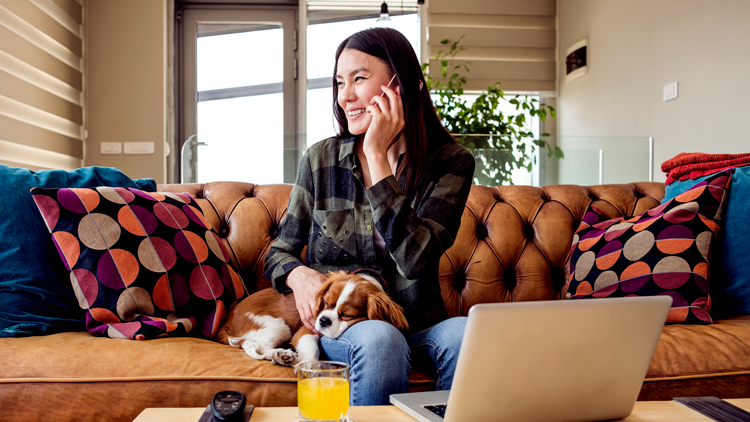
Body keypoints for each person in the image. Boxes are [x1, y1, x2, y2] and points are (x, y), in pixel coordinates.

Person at [263, 27, 475, 405]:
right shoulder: (320, 160)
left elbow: (415, 259)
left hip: (416, 323)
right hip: (344, 326)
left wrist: (377, 159)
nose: (345, 96)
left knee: (465, 333)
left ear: (403, 84)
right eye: (340, 82)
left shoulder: (451, 164)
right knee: (380, 338)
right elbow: (279, 251)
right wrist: (297, 275)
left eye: (359, 79)